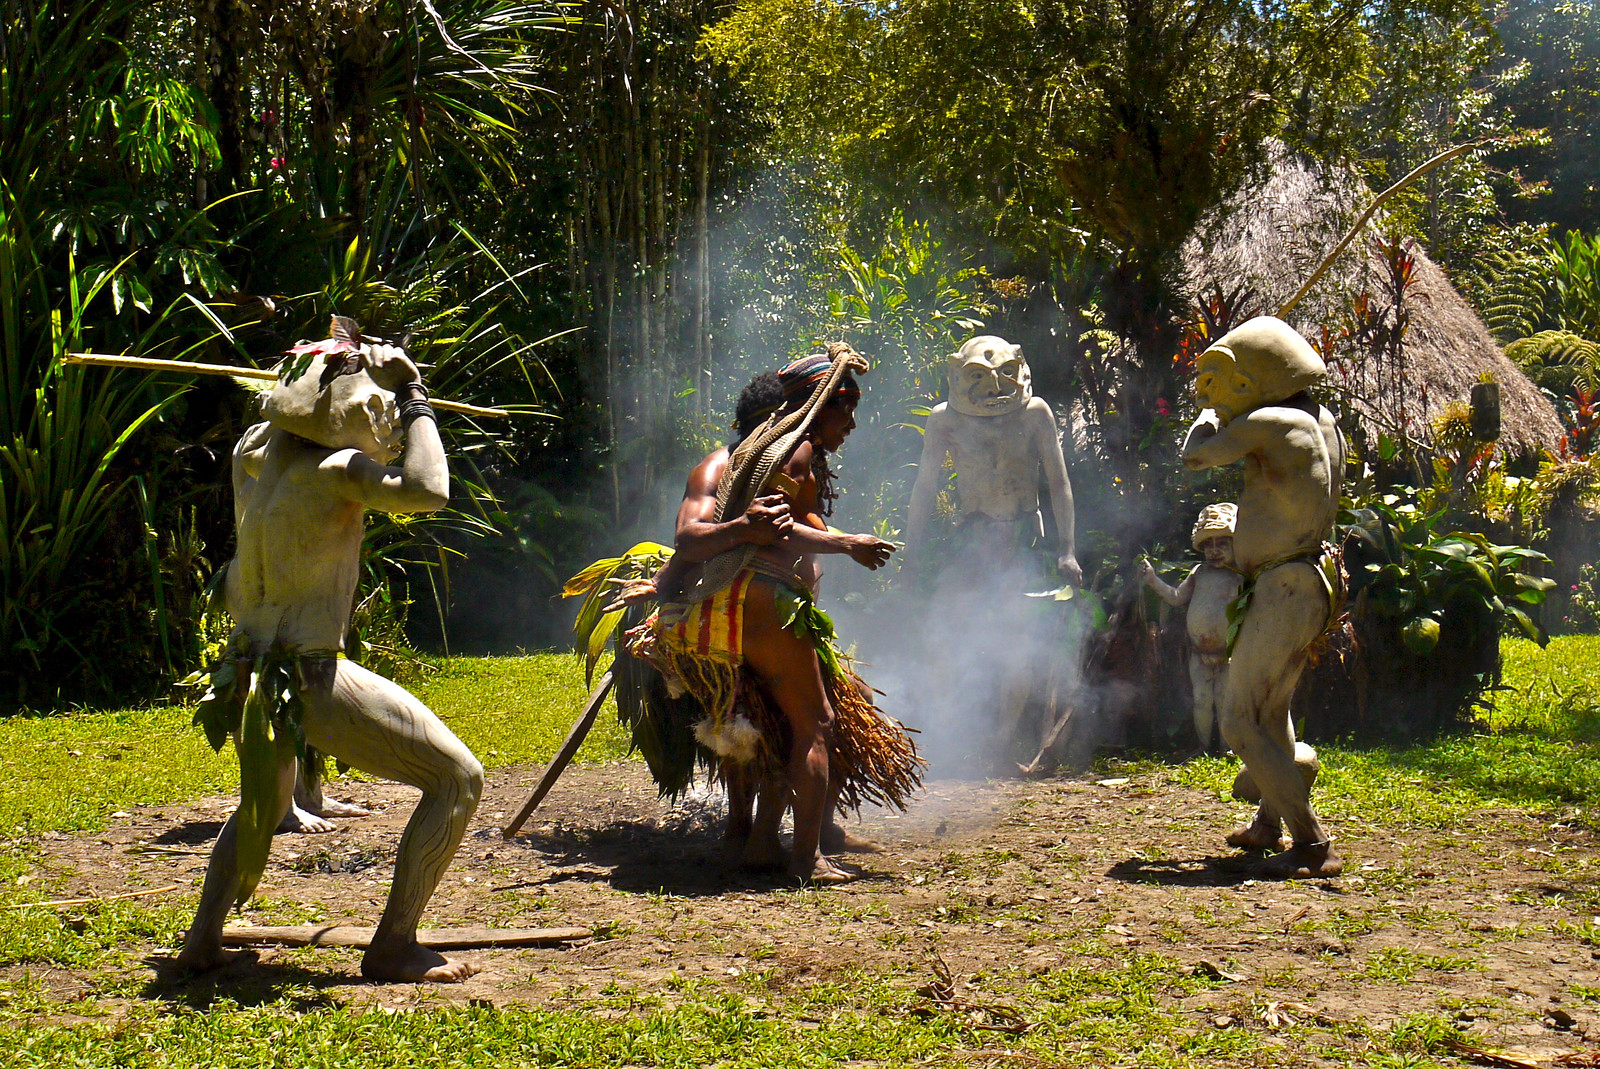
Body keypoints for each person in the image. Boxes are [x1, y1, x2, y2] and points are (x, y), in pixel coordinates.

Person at [178, 321, 485, 981]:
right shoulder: (337, 467)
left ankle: (202, 940)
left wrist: (327, 367)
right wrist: (415, 394)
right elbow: (430, 488)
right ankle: (394, 945)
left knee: (263, 797)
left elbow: (266, 425)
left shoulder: (255, 461)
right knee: (458, 780)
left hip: (249, 667)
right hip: (311, 672)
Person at [626, 345, 920, 883]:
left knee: (756, 718)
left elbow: (786, 522)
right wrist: (847, 542)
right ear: (814, 405)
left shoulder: (763, 459)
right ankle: (807, 859)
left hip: (727, 611)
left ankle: (758, 839)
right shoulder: (790, 454)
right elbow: (715, 536)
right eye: (844, 408)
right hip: (764, 607)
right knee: (817, 723)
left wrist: (835, 540)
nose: (851, 424)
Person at [1180, 316, 1346, 879]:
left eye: (1214, 381)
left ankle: (1311, 842)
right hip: (1307, 579)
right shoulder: (1323, 422)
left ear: (1248, 382)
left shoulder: (1271, 420)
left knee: (1238, 719)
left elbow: (1196, 455)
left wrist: (1206, 417)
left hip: (1285, 583)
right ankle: (1268, 823)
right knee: (1272, 709)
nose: (1206, 392)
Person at [1139, 503, 1242, 754]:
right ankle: (1204, 748)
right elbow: (1176, 597)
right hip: (1198, 654)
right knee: (1202, 701)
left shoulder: (1241, 576)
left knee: (1226, 702)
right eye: (1208, 545)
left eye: (1222, 544)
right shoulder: (1199, 572)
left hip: (1230, 654)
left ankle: (1229, 748)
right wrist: (1153, 580)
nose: (1214, 551)